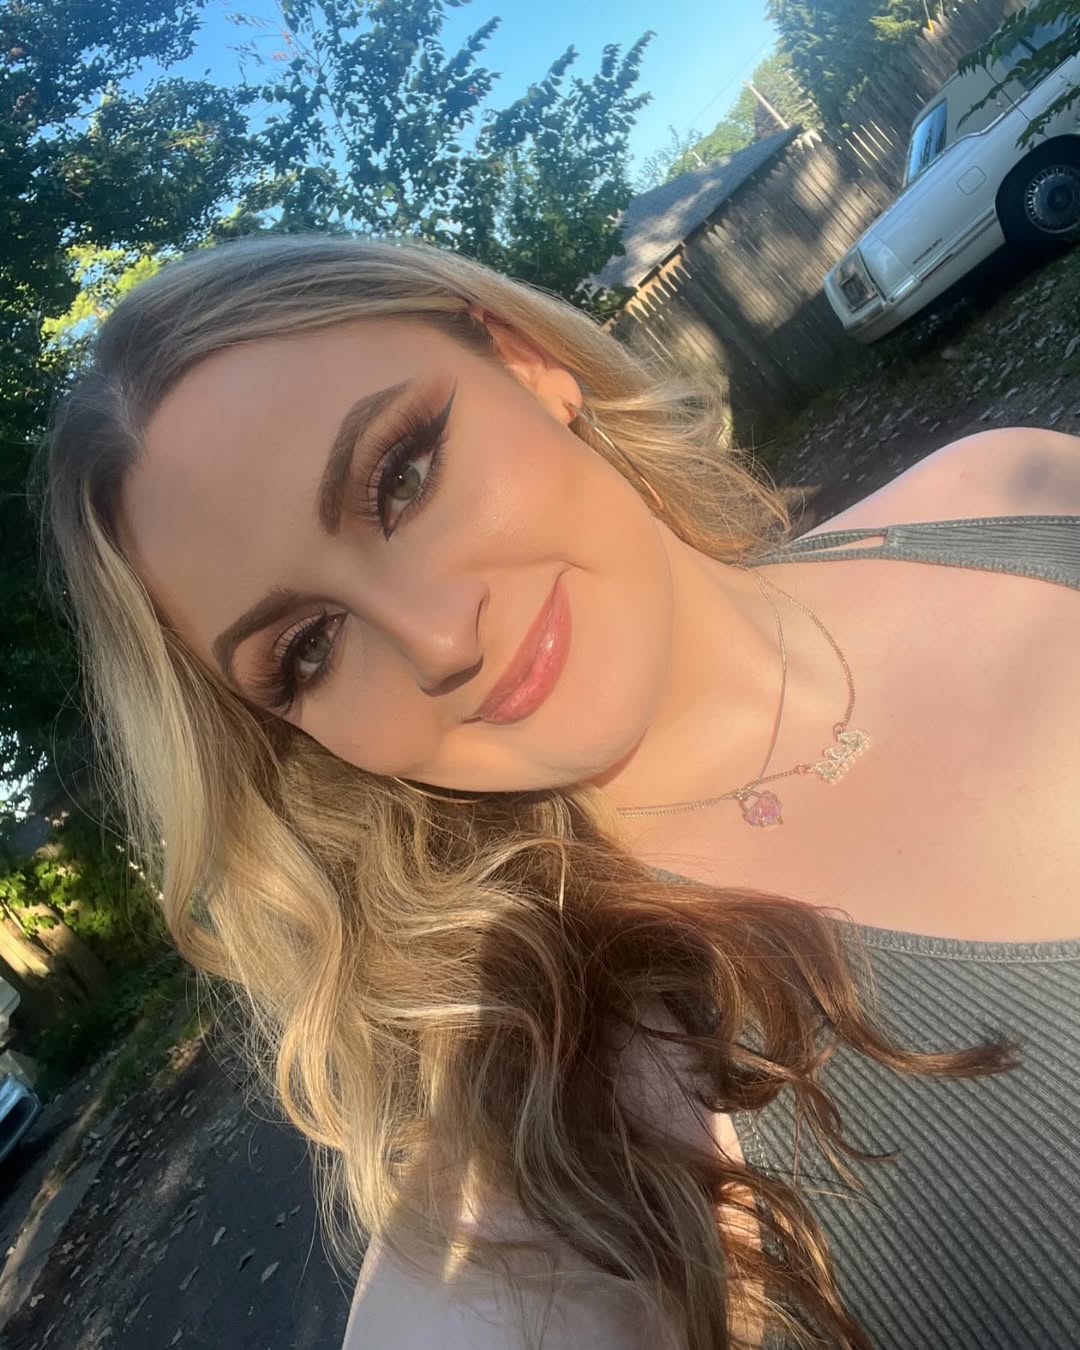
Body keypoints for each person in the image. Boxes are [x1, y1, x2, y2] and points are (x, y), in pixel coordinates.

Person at [42, 232, 1080, 1350]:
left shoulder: (1009, 490)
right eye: (310, 648)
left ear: (529, 362)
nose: (437, 639)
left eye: (403, 478)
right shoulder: (574, 1134)